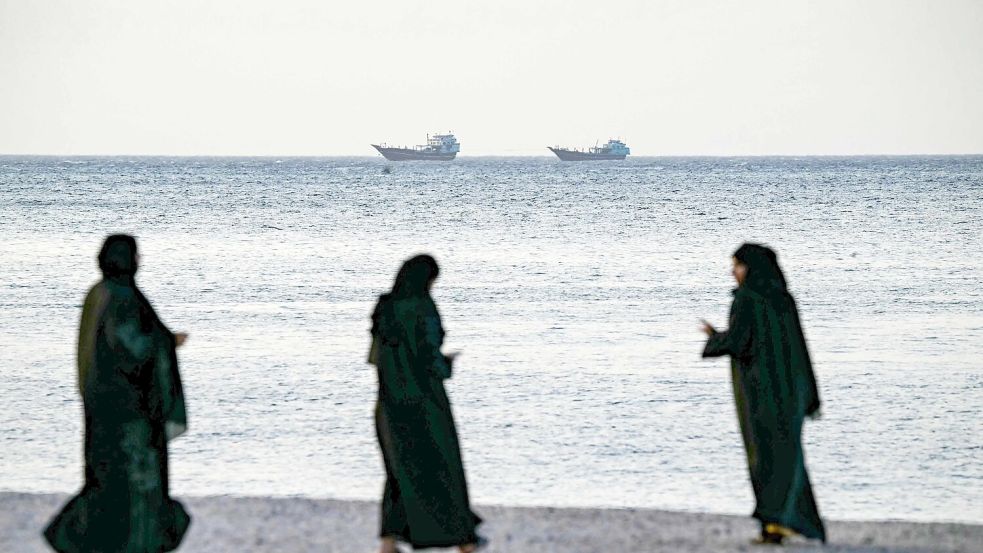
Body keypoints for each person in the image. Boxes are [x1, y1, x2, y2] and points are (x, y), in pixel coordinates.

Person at [44, 234, 191, 553]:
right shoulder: (122, 297)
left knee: (104, 477)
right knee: (132, 480)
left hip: (101, 409)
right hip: (129, 412)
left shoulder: (97, 294)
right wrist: (167, 343)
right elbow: (133, 348)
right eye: (137, 256)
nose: (140, 262)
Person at [700, 243, 826, 545]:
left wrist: (714, 339)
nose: (734, 272)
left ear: (752, 268)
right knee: (790, 458)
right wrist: (811, 394)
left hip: (761, 392)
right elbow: (801, 348)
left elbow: (741, 342)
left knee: (766, 457)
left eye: (739, 265)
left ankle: (774, 524)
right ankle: (798, 523)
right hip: (792, 392)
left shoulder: (747, 299)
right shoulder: (784, 300)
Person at [368, 254, 485, 553]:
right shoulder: (423, 307)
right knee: (443, 467)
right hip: (425, 403)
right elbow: (430, 358)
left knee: (398, 471)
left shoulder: (385, 308)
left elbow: (375, 358)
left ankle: (389, 540)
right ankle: (464, 541)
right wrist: (447, 363)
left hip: (389, 405)